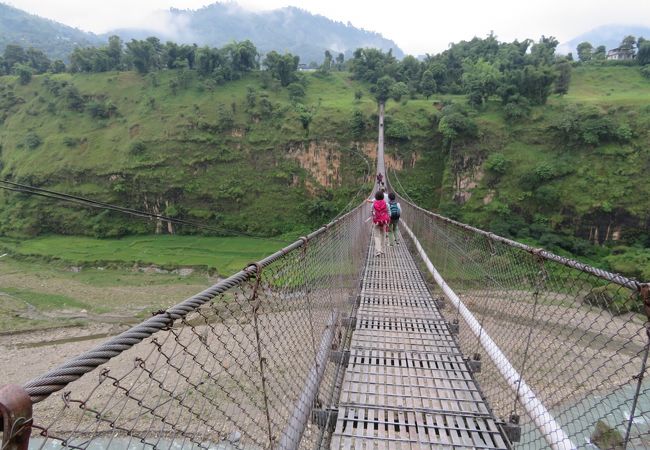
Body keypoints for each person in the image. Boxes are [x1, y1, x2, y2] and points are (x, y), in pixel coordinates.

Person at [371, 190, 390, 256]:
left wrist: (374, 218)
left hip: (376, 222)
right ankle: (382, 250)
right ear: (383, 197)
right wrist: (387, 221)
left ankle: (378, 251)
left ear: (375, 197)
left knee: (376, 236)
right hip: (384, 222)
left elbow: (372, 212)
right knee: (383, 235)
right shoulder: (386, 204)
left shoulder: (374, 204)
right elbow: (389, 213)